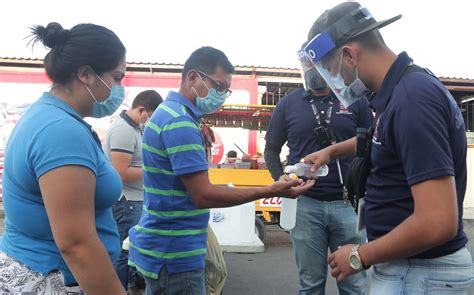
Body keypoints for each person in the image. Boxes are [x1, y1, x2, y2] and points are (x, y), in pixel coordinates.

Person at [303, 2, 473, 294]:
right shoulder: (401, 92)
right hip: (412, 270)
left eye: (331, 69)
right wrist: (331, 152)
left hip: (419, 273)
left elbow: (438, 221)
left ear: (348, 55)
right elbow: (386, 141)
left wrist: (359, 255)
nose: (335, 81)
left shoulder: (412, 101)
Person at [128, 46, 314, 295]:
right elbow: (203, 195)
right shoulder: (179, 123)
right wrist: (271, 189)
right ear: (192, 77)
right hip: (175, 255)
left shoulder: (167, 114)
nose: (221, 96)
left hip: (163, 249)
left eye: (225, 90)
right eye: (217, 87)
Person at [0, 22, 127, 294]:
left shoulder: (49, 116)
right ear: (86, 75)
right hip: (52, 280)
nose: (120, 88)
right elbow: (77, 244)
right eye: (117, 78)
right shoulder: (61, 131)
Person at [264, 46, 371, 294]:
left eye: (318, 64)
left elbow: (372, 144)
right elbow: (271, 149)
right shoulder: (288, 103)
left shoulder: (355, 100)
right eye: (308, 65)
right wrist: (278, 176)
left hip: (350, 206)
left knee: (354, 284)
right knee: (310, 284)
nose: (313, 71)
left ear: (331, 64)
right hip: (305, 206)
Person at [103, 90, 162, 292]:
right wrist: (156, 170)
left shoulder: (135, 129)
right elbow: (121, 172)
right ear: (142, 110)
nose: (152, 121)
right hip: (126, 200)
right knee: (124, 251)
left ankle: (130, 286)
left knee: (131, 250)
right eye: (152, 116)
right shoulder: (123, 131)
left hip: (135, 198)